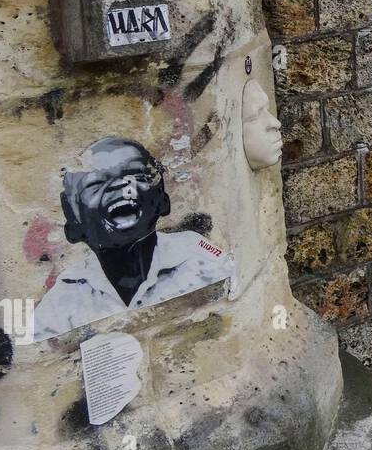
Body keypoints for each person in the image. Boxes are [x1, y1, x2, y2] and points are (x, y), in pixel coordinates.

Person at [32, 138, 232, 342]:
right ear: (74, 222)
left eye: (136, 175)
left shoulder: (199, 259)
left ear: (162, 199)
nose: (121, 186)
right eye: (95, 184)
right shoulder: (63, 300)